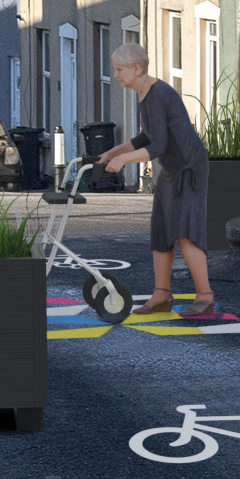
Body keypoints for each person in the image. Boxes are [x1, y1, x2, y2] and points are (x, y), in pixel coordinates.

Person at [99, 42, 216, 318]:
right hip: (172, 168)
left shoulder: (158, 94)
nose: (115, 75)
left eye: (119, 69)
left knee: (185, 231)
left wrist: (123, 160)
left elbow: (158, 146)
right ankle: (162, 294)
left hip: (189, 167)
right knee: (161, 230)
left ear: (137, 69)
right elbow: (147, 137)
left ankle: (205, 296)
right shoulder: (144, 93)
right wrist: (114, 152)